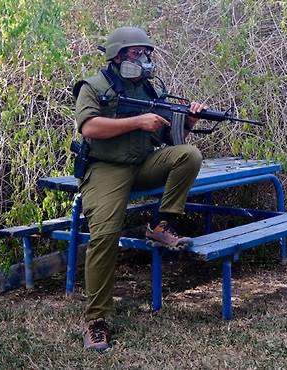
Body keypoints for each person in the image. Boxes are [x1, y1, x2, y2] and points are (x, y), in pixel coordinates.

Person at [72, 26, 205, 352]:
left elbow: (168, 141)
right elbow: (89, 126)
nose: (143, 58)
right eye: (136, 52)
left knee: (189, 155)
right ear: (117, 56)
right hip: (105, 168)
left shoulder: (150, 90)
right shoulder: (94, 86)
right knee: (104, 235)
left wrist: (186, 121)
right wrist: (137, 122)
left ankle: (161, 224)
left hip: (142, 164)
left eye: (146, 53)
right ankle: (96, 321)